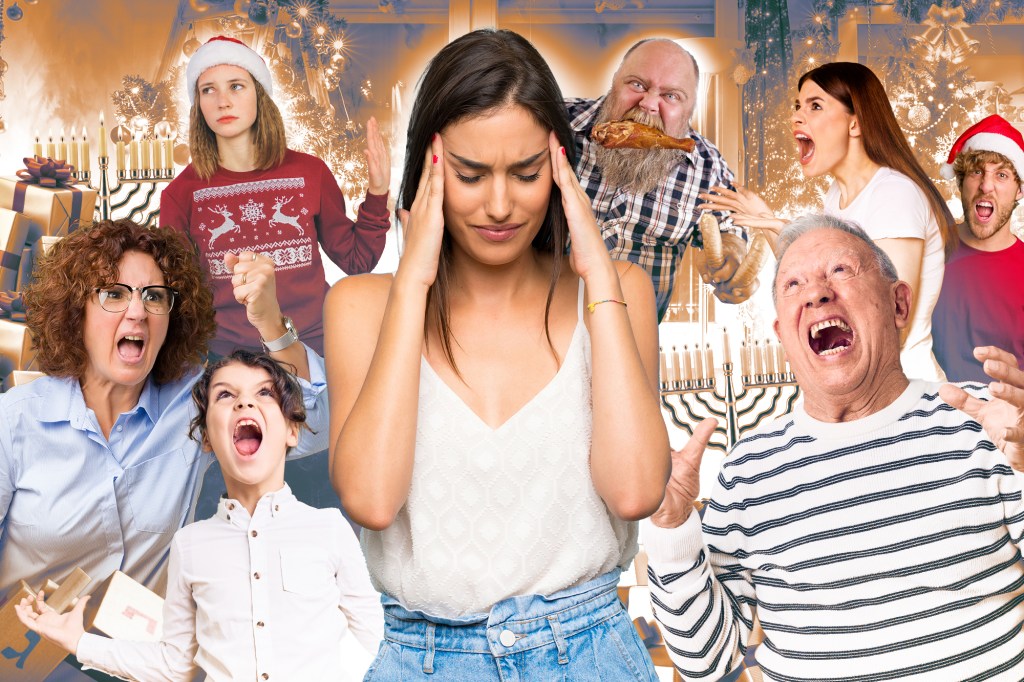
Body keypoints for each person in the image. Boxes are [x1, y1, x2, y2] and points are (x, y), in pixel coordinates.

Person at [325, 29, 669, 679]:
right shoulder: (363, 308)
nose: (501, 204)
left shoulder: (618, 291)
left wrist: (596, 274)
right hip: (422, 660)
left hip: (589, 653)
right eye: (471, 173)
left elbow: (635, 491)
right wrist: (414, 284)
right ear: (427, 169)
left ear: (560, 167)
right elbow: (371, 499)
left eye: (526, 172)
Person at [643, 214, 1024, 681]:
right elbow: (704, 660)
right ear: (783, 336)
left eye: (841, 270)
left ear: (899, 304)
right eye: (793, 284)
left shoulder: (991, 421)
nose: (816, 292)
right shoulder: (747, 471)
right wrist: (671, 530)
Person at [0, 219, 329, 681]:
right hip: (24, 666)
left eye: (154, 297)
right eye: (114, 294)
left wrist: (271, 324)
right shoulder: (15, 421)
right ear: (77, 312)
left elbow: (309, 426)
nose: (137, 312)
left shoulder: (193, 405)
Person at [15, 350, 382, 682]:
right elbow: (176, 664)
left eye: (264, 394)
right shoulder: (190, 545)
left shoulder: (328, 528)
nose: (244, 405)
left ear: (291, 430)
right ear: (206, 437)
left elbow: (374, 643)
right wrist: (78, 642)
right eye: (226, 395)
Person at [699, 62, 957, 381]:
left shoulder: (894, 195)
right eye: (797, 106)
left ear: (855, 123)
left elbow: (891, 327)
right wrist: (768, 221)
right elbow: (822, 283)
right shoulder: (837, 196)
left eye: (815, 106)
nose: (796, 116)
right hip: (864, 391)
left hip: (907, 397)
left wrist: (780, 226)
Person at [160, 35, 392, 357]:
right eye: (207, 89)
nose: (222, 101)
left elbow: (357, 261)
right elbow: (179, 295)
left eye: (236, 86)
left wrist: (378, 193)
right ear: (198, 105)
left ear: (260, 94)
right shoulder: (180, 194)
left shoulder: (310, 173)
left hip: (314, 355)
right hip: (227, 363)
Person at [566, 38, 751, 319]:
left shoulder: (707, 166)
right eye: (637, 84)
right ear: (614, 81)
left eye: (671, 96)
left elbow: (731, 233)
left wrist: (729, 259)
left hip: (634, 341)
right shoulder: (555, 123)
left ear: (689, 112)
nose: (648, 104)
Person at [933, 114, 1024, 381]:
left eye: (1002, 175)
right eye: (976, 171)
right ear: (961, 181)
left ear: (1019, 190)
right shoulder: (926, 251)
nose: (986, 186)